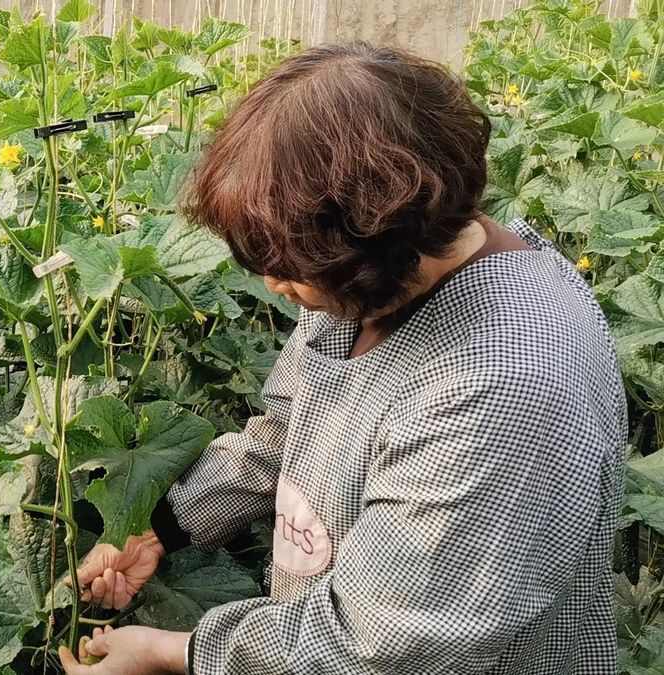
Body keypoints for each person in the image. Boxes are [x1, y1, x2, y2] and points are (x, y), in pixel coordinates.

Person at [60, 43, 627, 675]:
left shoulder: (502, 381)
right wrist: (159, 531)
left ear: (376, 233)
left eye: (289, 265)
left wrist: (172, 653)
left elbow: (377, 642)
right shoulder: (368, 279)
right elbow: (286, 432)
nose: (272, 282)